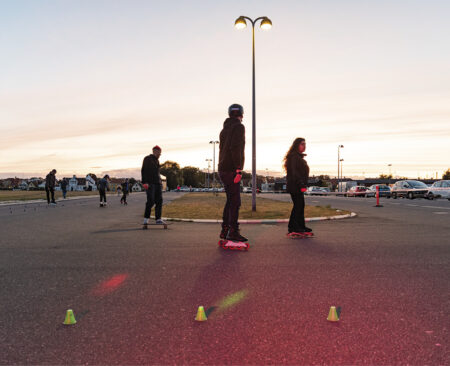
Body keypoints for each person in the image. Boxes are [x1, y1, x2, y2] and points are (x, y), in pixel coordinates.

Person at [218, 104, 247, 242]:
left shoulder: (224, 130)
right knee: (235, 202)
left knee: (230, 201)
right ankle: (233, 232)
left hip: (222, 169)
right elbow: (236, 148)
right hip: (231, 169)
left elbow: (222, 150)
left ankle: (225, 230)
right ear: (241, 115)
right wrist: (238, 169)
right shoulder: (239, 127)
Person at [284, 137, 312, 235]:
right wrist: (301, 184)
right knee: (298, 206)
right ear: (297, 145)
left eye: (305, 144)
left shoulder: (298, 157)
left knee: (300, 205)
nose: (304, 146)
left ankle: (300, 226)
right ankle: (294, 227)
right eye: (302, 144)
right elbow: (295, 173)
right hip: (295, 185)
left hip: (298, 185)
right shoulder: (294, 157)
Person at [141, 146, 166, 225]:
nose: (160, 154)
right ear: (155, 151)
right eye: (159, 152)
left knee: (159, 201)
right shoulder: (147, 159)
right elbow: (143, 170)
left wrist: (160, 183)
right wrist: (144, 182)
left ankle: (158, 219)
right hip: (150, 183)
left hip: (158, 183)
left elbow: (157, 173)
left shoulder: (157, 161)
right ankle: (146, 218)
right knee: (151, 201)